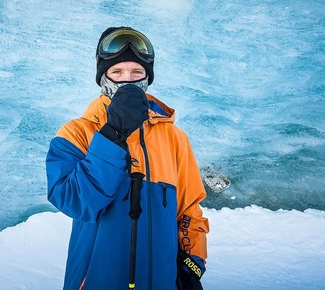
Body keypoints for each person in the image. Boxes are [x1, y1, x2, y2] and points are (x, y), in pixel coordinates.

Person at [46, 26, 209, 290]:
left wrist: (193, 262)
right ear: (103, 77)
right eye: (117, 72)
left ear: (147, 77)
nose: (127, 80)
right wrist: (112, 136)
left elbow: (189, 211)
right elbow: (74, 200)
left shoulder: (175, 138)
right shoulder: (76, 133)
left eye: (137, 73)